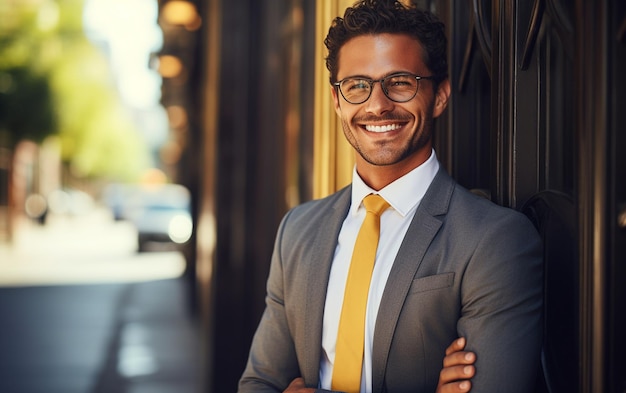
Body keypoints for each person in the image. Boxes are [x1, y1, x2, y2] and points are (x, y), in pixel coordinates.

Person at [238, 0, 543, 392]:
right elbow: (258, 383)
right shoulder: (297, 230)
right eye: (357, 86)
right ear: (337, 101)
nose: (377, 105)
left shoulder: (495, 240)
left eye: (400, 82)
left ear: (439, 96)